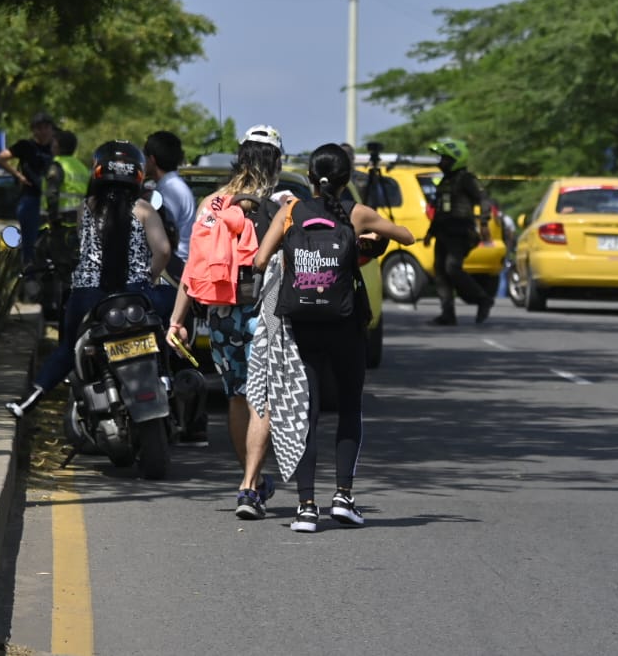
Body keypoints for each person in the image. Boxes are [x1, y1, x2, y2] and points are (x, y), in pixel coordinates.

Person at [249, 143, 414, 531]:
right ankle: (343, 496)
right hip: (345, 325)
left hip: (302, 325)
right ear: (346, 180)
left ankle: (306, 507)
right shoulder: (356, 213)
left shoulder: (291, 211)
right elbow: (406, 237)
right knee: (350, 409)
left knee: (307, 415)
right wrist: (370, 237)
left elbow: (259, 260)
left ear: (310, 179)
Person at [5, 140, 171, 417]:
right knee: (170, 321)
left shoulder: (87, 208)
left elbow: (85, 249)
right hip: (136, 294)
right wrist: (148, 278)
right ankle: (169, 376)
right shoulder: (144, 209)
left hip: (89, 296)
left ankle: (29, 401)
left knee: (69, 348)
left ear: (98, 172)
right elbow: (163, 251)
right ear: (138, 174)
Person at [166, 125, 288, 493]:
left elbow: (194, 268)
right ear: (277, 160)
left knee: (236, 396)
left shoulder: (213, 204)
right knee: (262, 398)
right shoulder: (281, 202)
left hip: (220, 315)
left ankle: (252, 480)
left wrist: (177, 319)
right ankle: (250, 483)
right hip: (264, 313)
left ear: (240, 157)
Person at [424, 137, 495, 325]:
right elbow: (439, 210)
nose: (441, 163)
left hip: (460, 232)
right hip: (443, 232)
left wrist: (485, 222)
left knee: (452, 268)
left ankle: (481, 298)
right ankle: (448, 313)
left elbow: (484, 199)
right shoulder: (445, 181)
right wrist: (430, 233)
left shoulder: (466, 179)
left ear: (456, 160)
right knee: (440, 271)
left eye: (445, 159)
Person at [0, 111, 56, 266]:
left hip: (53, 202)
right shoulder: (25, 146)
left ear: (51, 129)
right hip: (31, 199)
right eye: (39, 128)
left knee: (54, 244)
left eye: (46, 127)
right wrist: (18, 175)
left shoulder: (56, 147)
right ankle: (30, 278)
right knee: (29, 244)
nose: (43, 132)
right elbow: (1, 158)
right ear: (33, 130)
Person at [143, 131, 196, 281]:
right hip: (174, 267)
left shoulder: (170, 190)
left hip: (171, 270)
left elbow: (163, 235)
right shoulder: (172, 186)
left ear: (152, 159)